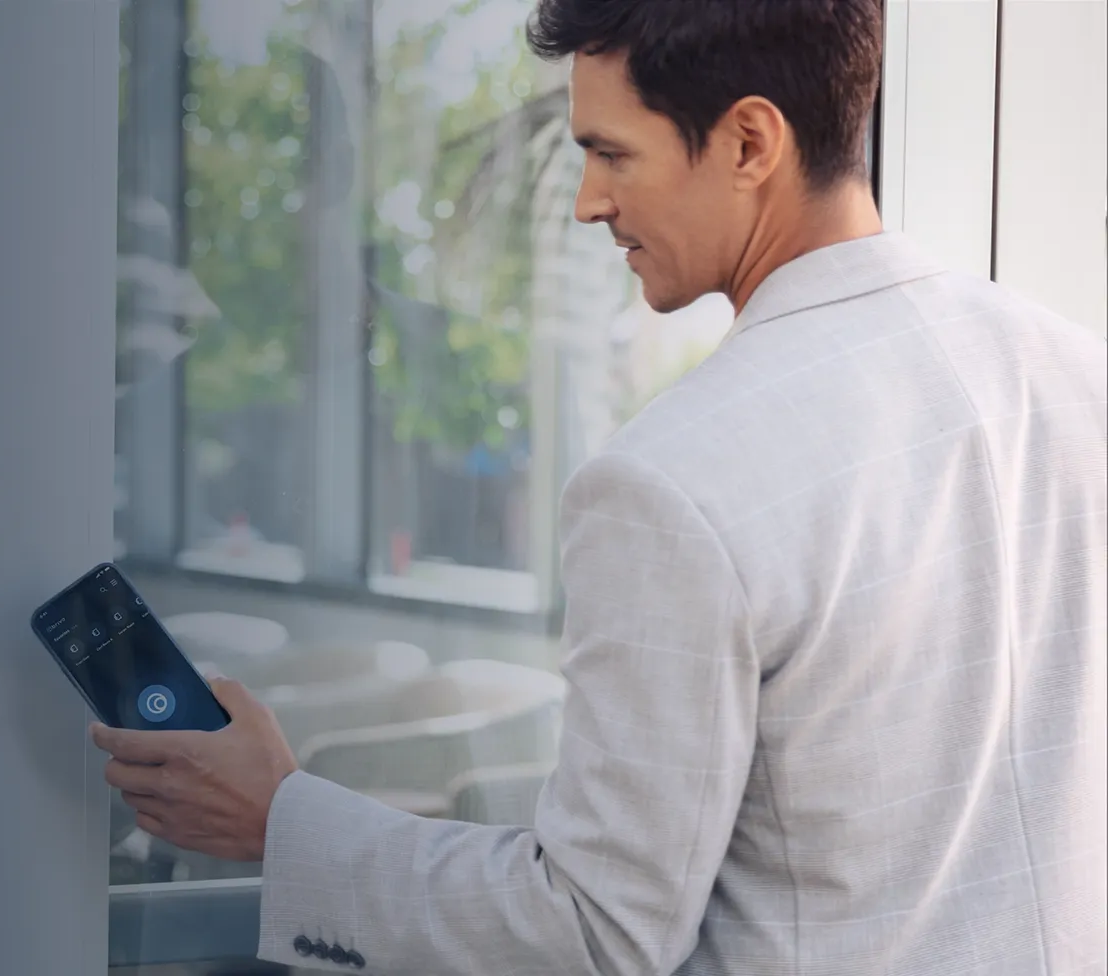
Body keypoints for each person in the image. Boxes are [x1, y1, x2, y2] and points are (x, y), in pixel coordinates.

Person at [88, 0, 1108, 972]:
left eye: (610, 152)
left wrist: (282, 818)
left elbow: (594, 931)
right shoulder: (1073, 374)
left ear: (749, 143)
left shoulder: (673, 480)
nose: (586, 202)